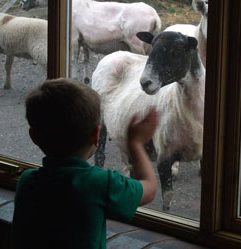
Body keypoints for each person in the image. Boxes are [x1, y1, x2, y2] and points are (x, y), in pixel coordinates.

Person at [11, 78, 159, 249]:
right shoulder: (100, 184)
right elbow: (149, 189)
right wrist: (135, 143)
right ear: (96, 135)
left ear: (34, 137)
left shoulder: (26, 181)